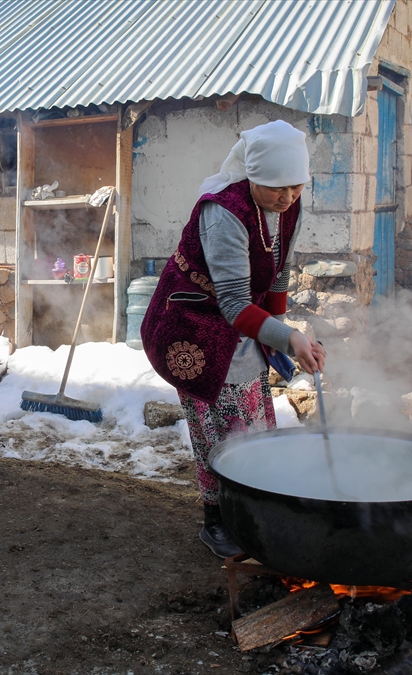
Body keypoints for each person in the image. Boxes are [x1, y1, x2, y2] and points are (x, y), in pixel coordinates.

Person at [140, 120, 327, 557]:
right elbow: (231, 303)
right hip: (194, 325)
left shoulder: (288, 207)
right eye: (276, 189)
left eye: (296, 188)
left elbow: (278, 273)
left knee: (252, 422)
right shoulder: (222, 211)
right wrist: (289, 339)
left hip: (242, 317)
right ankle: (217, 521)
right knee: (219, 430)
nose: (287, 198)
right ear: (252, 176)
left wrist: (278, 336)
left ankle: (248, 511)